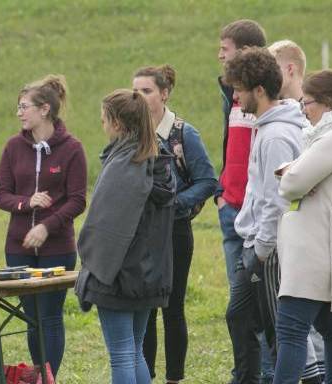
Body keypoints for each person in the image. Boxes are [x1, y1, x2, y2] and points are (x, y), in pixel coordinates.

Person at [75, 89, 175, 384]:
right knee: (134, 352)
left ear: (117, 123)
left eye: (104, 119)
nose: (102, 125)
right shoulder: (156, 161)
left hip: (118, 275)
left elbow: (104, 228)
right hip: (148, 274)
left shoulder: (125, 165)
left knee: (121, 354)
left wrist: (92, 266)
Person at [272, 70, 332, 384]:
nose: (302, 109)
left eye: (306, 102)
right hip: (319, 246)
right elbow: (296, 175)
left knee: (291, 329)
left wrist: (291, 173)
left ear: (324, 103)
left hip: (320, 248)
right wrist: (293, 171)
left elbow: (291, 184)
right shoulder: (326, 136)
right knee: (331, 327)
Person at [0, 74, 87, 377]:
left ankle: (49, 377)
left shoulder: (72, 148)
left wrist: (46, 227)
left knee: (49, 316)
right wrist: (26, 203)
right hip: (18, 247)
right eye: (18, 107)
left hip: (57, 248)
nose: (19, 113)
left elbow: (77, 200)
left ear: (44, 109)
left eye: (24, 107)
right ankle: (40, 374)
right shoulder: (12, 147)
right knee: (31, 316)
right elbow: (2, 195)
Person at [225, 47, 308, 384]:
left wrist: (260, 251)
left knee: (275, 328)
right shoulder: (269, 127)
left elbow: (274, 202)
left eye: (240, 89)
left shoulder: (274, 135)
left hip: (266, 249)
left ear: (259, 90)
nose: (235, 95)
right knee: (241, 317)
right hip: (257, 244)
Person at [133, 65, 218, 384]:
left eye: (146, 91)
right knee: (145, 306)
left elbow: (207, 180)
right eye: (135, 91)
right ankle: (147, 376)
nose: (139, 97)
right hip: (140, 233)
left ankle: (174, 378)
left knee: (172, 306)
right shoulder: (131, 132)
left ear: (164, 93)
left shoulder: (184, 133)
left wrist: (172, 204)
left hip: (175, 231)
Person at [215, 19, 276, 384]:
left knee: (259, 307)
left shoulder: (266, 98)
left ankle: (267, 374)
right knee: (239, 310)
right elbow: (230, 147)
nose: (220, 55)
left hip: (258, 217)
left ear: (247, 52)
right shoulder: (233, 96)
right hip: (230, 209)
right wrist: (223, 193)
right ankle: (247, 373)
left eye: (226, 49)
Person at [267, 40, 328, 384]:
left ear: (290, 69)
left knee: (308, 323)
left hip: (308, 229)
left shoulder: (309, 118)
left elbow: (296, 182)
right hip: (289, 227)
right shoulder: (283, 113)